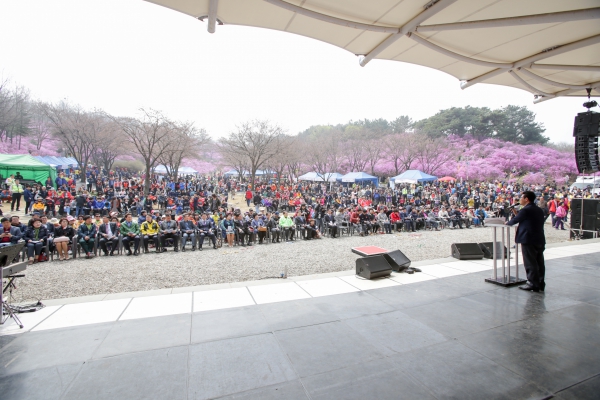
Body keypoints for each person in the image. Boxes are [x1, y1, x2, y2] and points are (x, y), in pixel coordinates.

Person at [506, 190, 546, 292]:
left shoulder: (526, 210)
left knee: (530, 262)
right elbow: (529, 220)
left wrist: (507, 223)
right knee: (539, 262)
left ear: (526, 199)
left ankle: (532, 283)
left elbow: (515, 221)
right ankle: (540, 283)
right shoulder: (539, 210)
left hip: (528, 239)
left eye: (521, 198)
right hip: (539, 238)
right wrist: (516, 213)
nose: (520, 199)